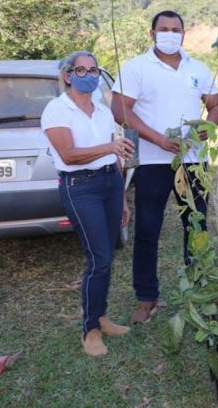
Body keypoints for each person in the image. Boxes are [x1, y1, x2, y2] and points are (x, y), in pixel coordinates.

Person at [111, 10, 218, 324]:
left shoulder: (197, 68)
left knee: (196, 227)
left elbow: (217, 105)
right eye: (164, 29)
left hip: (193, 161)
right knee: (148, 229)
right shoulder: (136, 68)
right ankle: (146, 297)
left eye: (176, 29)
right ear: (152, 33)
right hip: (152, 163)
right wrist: (158, 139)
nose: (170, 34)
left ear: (184, 34)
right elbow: (120, 110)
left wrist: (206, 128)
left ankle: (197, 291)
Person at [42, 51, 134, 356]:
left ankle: (102, 316)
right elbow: (68, 154)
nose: (89, 75)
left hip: (109, 182)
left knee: (107, 255)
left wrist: (122, 198)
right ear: (68, 76)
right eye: (81, 70)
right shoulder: (57, 110)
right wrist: (109, 146)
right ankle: (90, 329)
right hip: (80, 187)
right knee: (99, 258)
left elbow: (115, 157)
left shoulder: (103, 110)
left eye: (93, 70)